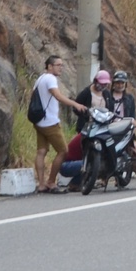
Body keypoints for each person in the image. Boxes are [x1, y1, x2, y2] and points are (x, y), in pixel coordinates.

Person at [30, 55, 88, 194]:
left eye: (62, 65)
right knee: (63, 151)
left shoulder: (40, 79)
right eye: (58, 65)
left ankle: (42, 184)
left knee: (42, 151)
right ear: (50, 66)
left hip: (39, 121)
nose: (61, 67)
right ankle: (51, 182)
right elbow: (57, 95)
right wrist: (75, 104)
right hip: (50, 122)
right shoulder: (50, 78)